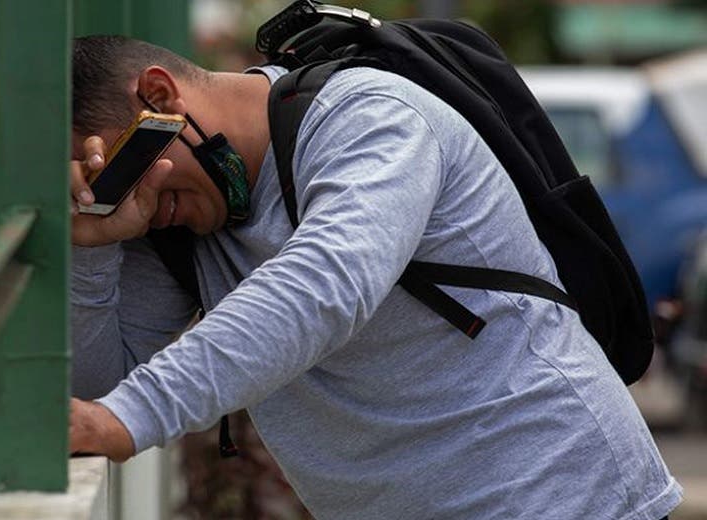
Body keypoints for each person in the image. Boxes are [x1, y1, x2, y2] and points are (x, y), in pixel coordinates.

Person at [66, 35, 682, 519]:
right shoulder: (173, 219)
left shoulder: (368, 116)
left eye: (119, 170)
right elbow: (96, 394)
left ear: (159, 97)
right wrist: (94, 243)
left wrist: (131, 416)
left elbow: (325, 286)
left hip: (559, 495)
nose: (128, 199)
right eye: (98, 186)